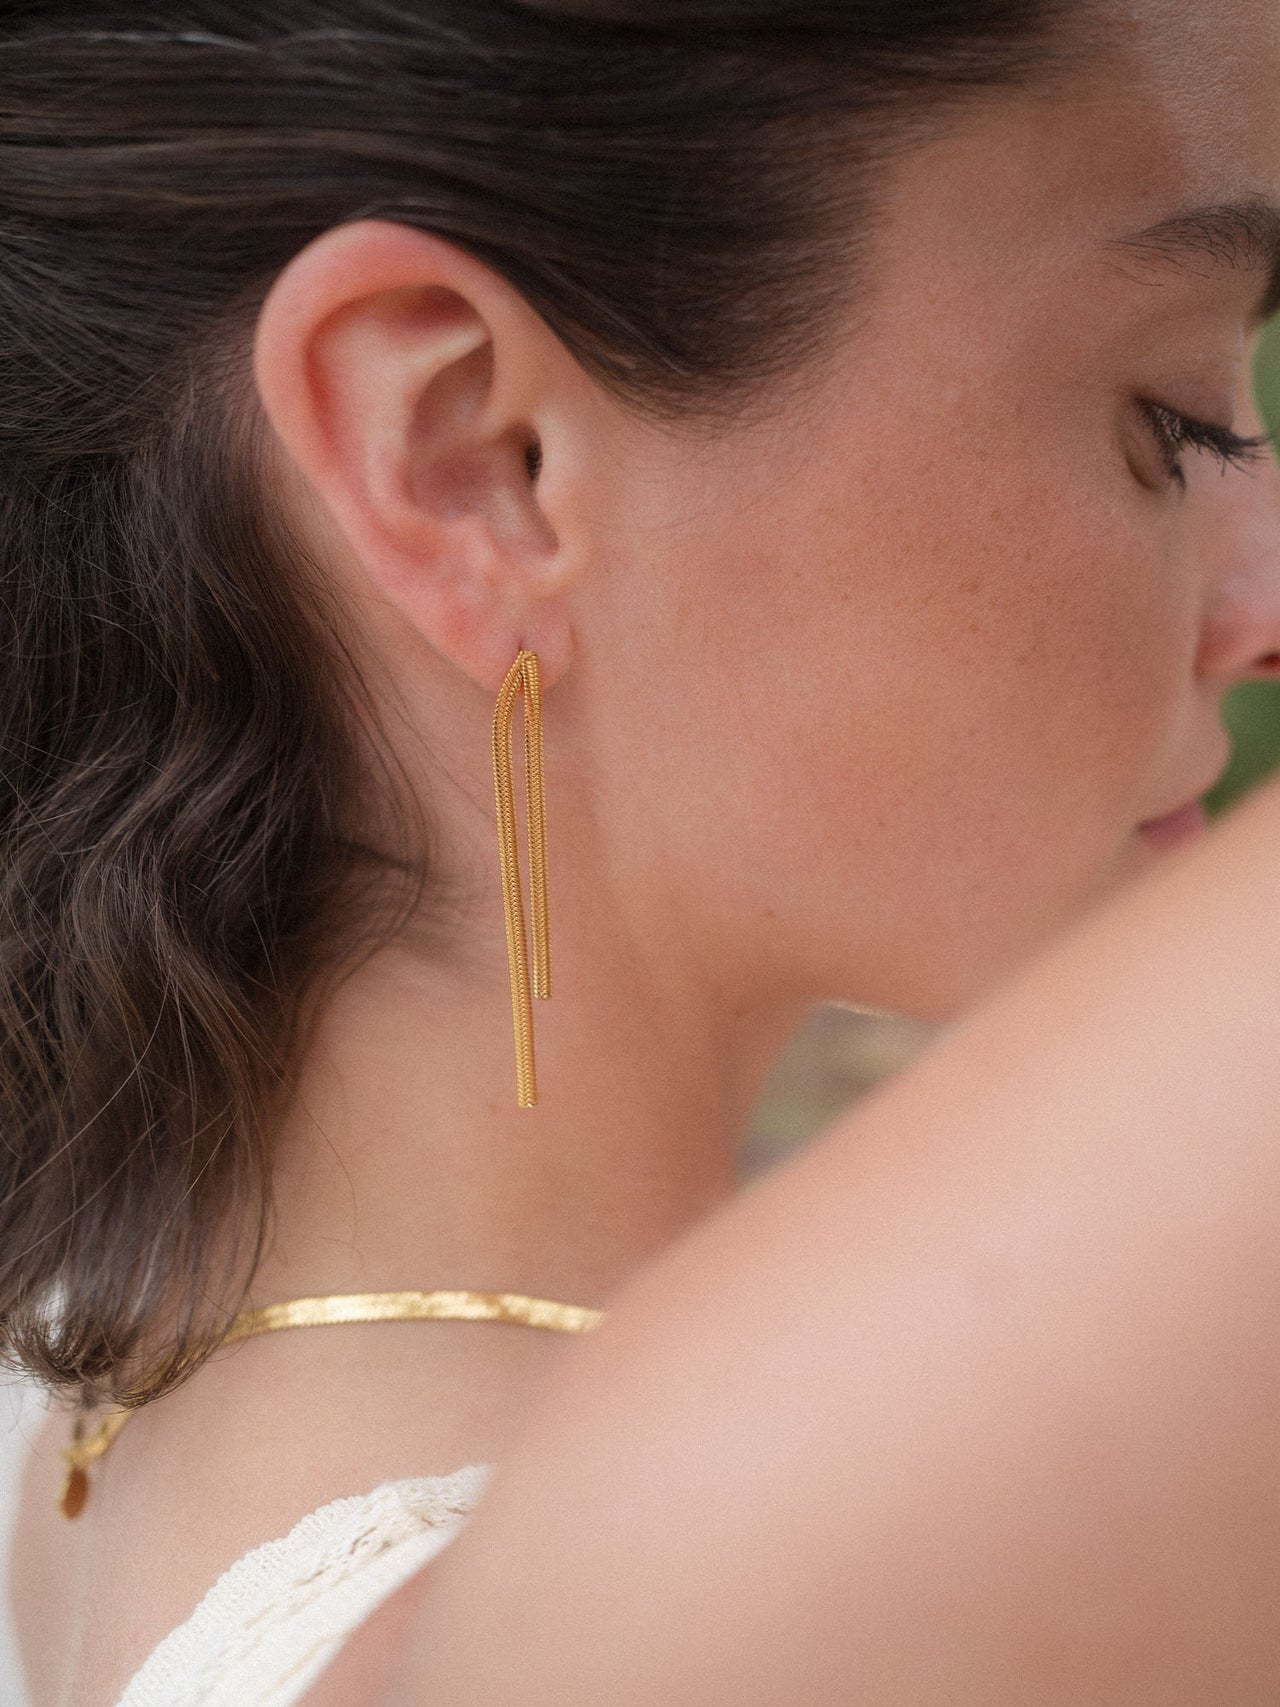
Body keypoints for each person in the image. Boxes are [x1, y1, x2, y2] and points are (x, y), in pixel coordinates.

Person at [2, 0, 1280, 1701]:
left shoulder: (109, 1352)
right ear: (478, 459)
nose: (1267, 603)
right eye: (1171, 419)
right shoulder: (702, 1610)